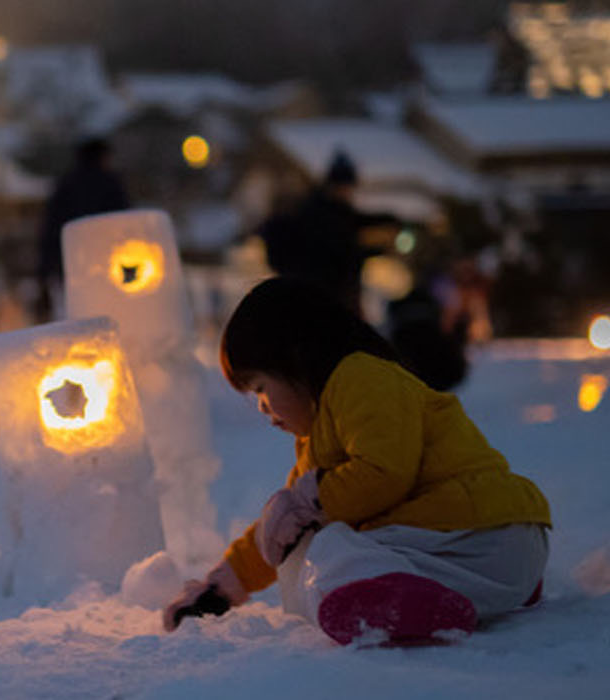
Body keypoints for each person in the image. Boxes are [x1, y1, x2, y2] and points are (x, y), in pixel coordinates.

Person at [162, 278, 551, 645]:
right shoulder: (319, 437)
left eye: (262, 388)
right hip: (487, 553)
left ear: (298, 357)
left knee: (331, 550)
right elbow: (281, 531)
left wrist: (306, 503)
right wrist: (222, 587)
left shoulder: (362, 377)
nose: (263, 408)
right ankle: (484, 592)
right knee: (311, 548)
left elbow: (384, 473)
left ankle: (409, 608)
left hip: (485, 533)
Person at [256, 152, 394, 312]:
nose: (348, 193)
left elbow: (355, 224)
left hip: (327, 293)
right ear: (335, 186)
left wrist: (389, 220)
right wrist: (378, 251)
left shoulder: (328, 210)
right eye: (346, 187)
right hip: (326, 295)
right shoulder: (323, 216)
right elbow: (339, 253)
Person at [35, 138, 130, 321]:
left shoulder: (65, 184)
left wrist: (45, 270)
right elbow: (124, 222)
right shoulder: (111, 183)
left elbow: (50, 227)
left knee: (79, 312)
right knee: (110, 311)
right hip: (107, 260)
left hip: (71, 262)